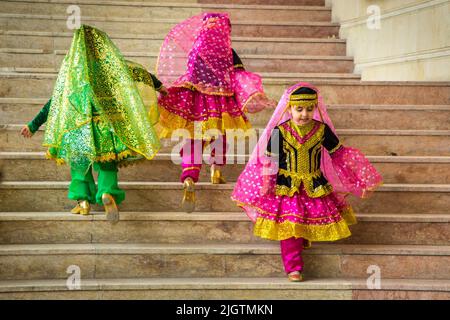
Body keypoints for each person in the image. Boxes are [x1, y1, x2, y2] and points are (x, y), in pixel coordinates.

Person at [231, 82, 383, 281]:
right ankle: (293, 268)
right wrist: (267, 182)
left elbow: (340, 156)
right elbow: (270, 160)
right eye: (299, 109)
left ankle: (301, 238)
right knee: (289, 225)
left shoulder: (322, 130)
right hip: (286, 187)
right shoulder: (280, 131)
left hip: (315, 185)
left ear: (316, 108)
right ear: (289, 108)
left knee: (304, 221)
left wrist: (359, 181)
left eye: (309, 109)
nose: (304, 114)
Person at [20, 25, 163, 223]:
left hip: (78, 129)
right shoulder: (110, 67)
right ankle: (107, 193)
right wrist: (160, 87)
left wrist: (33, 125)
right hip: (106, 127)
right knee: (107, 165)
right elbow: (139, 73)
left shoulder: (72, 74)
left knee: (80, 166)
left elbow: (54, 103)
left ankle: (83, 202)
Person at [157, 12, 275, 212]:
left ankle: (189, 176)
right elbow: (239, 76)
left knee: (194, 139)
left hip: (196, 103)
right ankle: (216, 171)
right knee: (221, 137)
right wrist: (252, 92)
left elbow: (191, 73)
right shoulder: (228, 52)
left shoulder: (197, 48)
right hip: (222, 104)